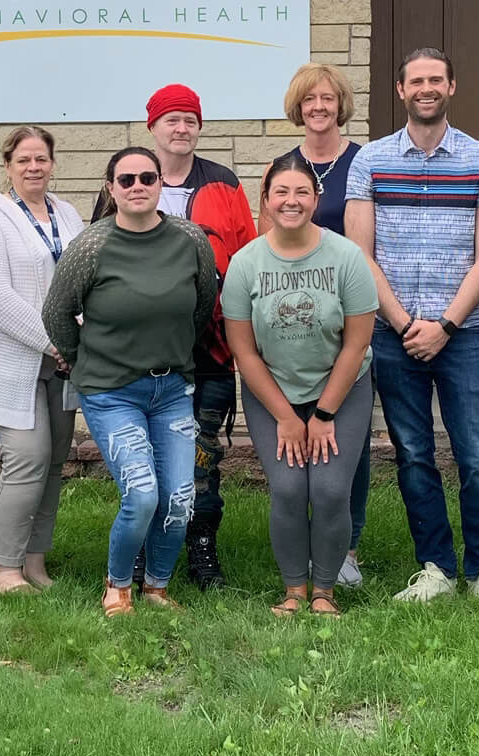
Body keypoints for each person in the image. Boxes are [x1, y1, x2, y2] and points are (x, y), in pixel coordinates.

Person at [344, 47, 479, 613]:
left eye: (436, 80)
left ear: (451, 87)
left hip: (463, 334)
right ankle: (436, 567)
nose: (426, 88)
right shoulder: (370, 161)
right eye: (416, 81)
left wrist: (443, 324)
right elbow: (359, 253)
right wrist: (401, 323)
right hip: (392, 335)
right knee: (413, 453)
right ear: (400, 91)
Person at [92, 84, 256, 589]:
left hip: (207, 354)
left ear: (199, 127)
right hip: (136, 361)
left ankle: (202, 550)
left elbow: (248, 256)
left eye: (189, 119)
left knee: (201, 460)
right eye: (171, 119)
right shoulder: (126, 180)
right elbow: (94, 261)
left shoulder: (224, 183)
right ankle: (139, 554)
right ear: (152, 126)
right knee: (142, 463)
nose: (181, 128)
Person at [45, 147, 219, 617]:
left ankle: (157, 588)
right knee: (142, 494)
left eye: (147, 177)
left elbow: (203, 304)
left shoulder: (190, 239)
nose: (137, 186)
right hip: (111, 392)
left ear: (161, 183)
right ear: (111, 189)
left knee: (180, 498)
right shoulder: (91, 246)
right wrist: (86, 361)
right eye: (126, 180)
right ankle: (118, 585)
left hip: (171, 393)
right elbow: (57, 313)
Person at [226, 153, 377, 617]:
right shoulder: (245, 263)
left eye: (302, 192)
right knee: (290, 489)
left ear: (317, 198)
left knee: (330, 490)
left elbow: (356, 344)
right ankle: (294, 589)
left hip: (342, 388)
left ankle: (325, 591)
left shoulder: (346, 256)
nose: (291, 201)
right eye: (281, 193)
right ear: (266, 200)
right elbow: (244, 352)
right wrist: (289, 419)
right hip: (272, 391)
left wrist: (325, 414)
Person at [259, 62, 370, 589]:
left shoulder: (363, 162)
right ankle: (301, 560)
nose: (319, 107)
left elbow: (366, 245)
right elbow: (266, 244)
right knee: (297, 473)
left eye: (328, 98)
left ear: (340, 104)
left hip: (351, 311)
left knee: (350, 451)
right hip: (290, 326)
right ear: (298, 107)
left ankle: (346, 548)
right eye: (309, 100)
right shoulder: (283, 167)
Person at [0, 126, 86, 595]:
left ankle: (35, 563)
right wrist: (57, 341)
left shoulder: (68, 214)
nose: (34, 167)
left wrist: (75, 338)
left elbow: (83, 279)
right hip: (12, 360)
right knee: (28, 458)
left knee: (54, 460)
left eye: (42, 159)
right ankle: (5, 570)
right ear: (8, 165)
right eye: (24, 160)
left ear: (53, 163)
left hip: (60, 365)